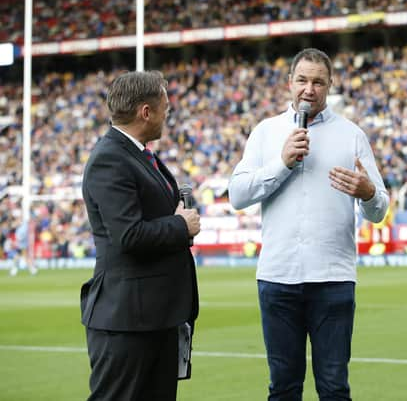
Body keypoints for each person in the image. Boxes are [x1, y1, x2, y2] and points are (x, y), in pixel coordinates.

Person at [228, 48, 389, 401]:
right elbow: (237, 195)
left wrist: (368, 192)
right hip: (278, 277)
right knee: (283, 388)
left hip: (332, 279)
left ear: (329, 86)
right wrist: (281, 163)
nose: (309, 89)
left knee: (333, 387)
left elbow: (380, 211)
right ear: (289, 83)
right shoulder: (266, 132)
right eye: (302, 80)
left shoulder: (352, 135)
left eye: (318, 82)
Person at [80, 71, 200, 401]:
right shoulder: (110, 158)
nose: (168, 114)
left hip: (155, 316)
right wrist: (181, 226)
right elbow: (128, 235)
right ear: (145, 112)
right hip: (127, 320)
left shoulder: (138, 153)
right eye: (165, 107)